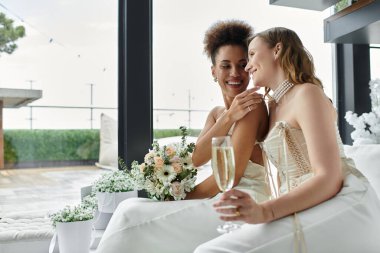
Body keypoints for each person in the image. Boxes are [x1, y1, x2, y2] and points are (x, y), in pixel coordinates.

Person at [194, 27, 380, 253]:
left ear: (277, 50)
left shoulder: (307, 93)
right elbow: (200, 157)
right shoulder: (272, 106)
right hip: (301, 205)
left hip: (343, 200)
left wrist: (265, 212)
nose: (248, 66)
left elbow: (329, 177)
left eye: (251, 55)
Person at [96, 20, 271, 253]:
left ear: (250, 67)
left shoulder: (254, 106)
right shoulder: (217, 114)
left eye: (242, 65)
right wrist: (228, 117)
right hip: (216, 197)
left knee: (131, 214)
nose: (235, 74)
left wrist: (181, 198)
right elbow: (196, 159)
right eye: (226, 66)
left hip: (242, 202)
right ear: (213, 71)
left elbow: (231, 176)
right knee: (129, 207)